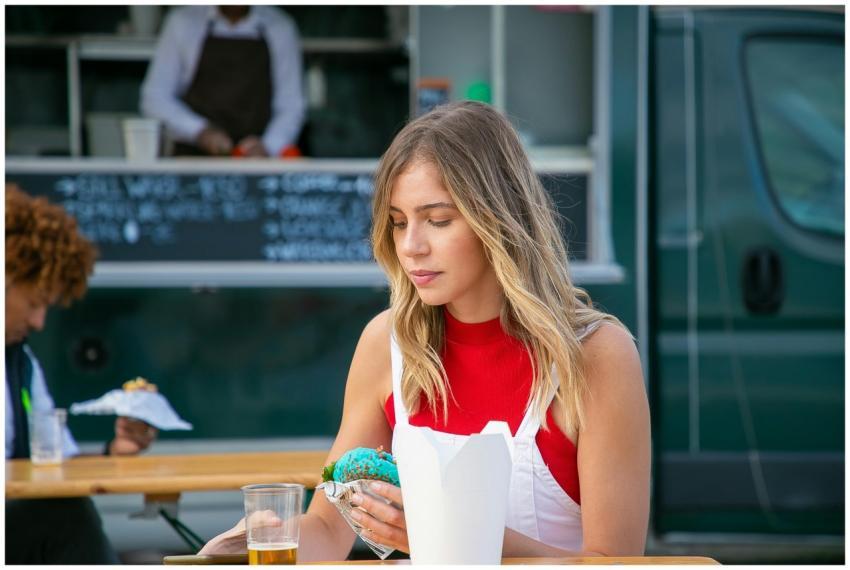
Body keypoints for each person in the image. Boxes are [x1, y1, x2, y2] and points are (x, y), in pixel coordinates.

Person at [200, 101, 651, 560]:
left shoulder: (596, 356)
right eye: (398, 223)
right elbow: (327, 531)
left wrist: (448, 534)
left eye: (438, 220)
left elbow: (615, 564)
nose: (411, 246)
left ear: (499, 218)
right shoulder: (386, 344)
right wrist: (249, 545)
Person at [5, 186, 158, 564]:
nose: (39, 322)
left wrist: (112, 454)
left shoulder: (19, 362)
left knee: (66, 510)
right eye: (35, 303)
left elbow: (54, 465)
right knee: (64, 517)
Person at [140, 5, 305, 157]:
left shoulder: (280, 27)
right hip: (193, 159)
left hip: (255, 162)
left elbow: (291, 104)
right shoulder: (183, 22)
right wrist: (199, 131)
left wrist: (268, 145)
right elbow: (155, 98)